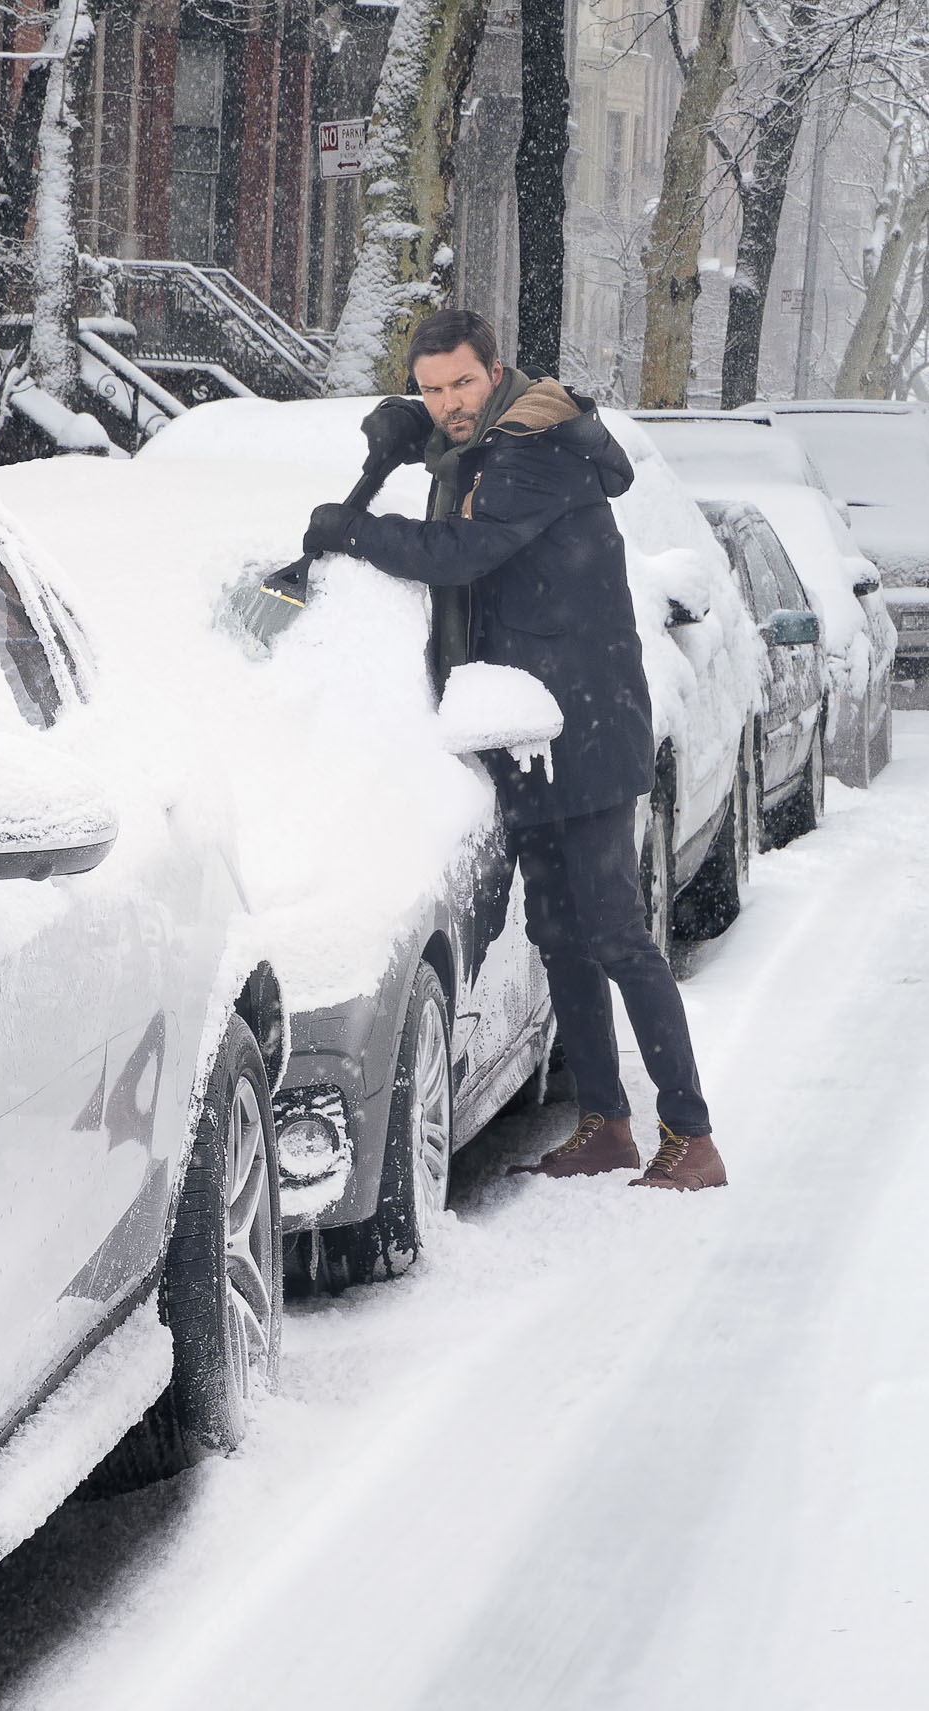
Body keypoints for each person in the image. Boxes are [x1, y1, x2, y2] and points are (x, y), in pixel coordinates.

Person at [304, 309, 725, 1192]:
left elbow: (459, 552)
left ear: (497, 371)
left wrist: (350, 530)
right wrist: (407, 423)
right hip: (526, 725)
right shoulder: (497, 431)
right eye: (430, 388)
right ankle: (606, 1122)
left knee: (615, 933)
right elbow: (460, 439)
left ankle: (689, 1135)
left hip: (589, 723)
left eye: (462, 382)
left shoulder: (540, 455)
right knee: (560, 934)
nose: (448, 401)